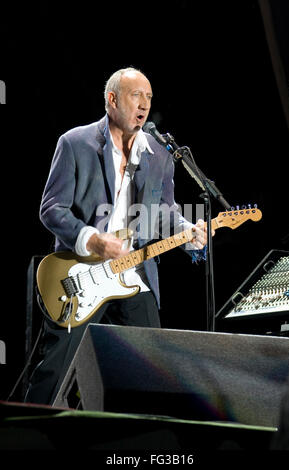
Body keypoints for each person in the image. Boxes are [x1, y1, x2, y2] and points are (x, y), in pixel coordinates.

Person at [25, 67, 210, 405]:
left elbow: (163, 210)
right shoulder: (75, 143)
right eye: (135, 95)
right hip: (81, 273)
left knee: (149, 372)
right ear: (112, 100)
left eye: (149, 98)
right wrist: (93, 240)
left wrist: (188, 231)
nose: (144, 104)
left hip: (133, 275)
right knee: (54, 373)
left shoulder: (159, 155)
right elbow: (51, 209)